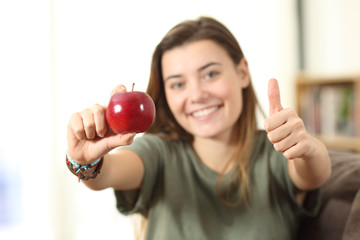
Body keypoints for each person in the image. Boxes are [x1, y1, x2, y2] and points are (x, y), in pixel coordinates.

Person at [66, 16, 331, 240]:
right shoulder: (158, 154)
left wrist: (306, 147)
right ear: (166, 95)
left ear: (242, 72)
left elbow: (314, 173)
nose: (197, 95)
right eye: (178, 84)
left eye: (210, 74)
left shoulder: (276, 153)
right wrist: (84, 160)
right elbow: (107, 172)